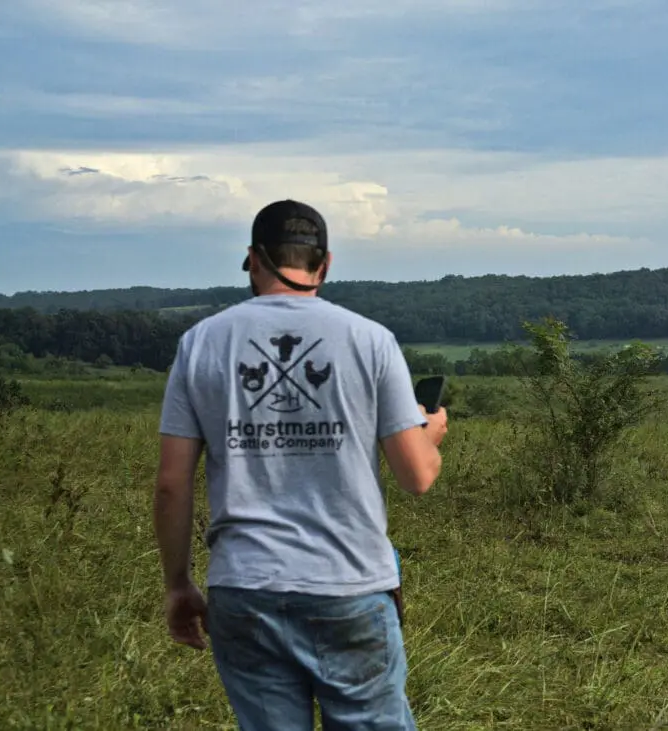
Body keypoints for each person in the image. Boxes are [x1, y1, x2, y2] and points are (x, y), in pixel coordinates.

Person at [152, 199, 448, 730]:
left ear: (252, 261)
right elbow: (417, 476)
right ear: (325, 264)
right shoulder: (370, 340)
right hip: (349, 584)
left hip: (244, 588)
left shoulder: (200, 342)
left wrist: (178, 584)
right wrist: (433, 435)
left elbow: (172, 485)